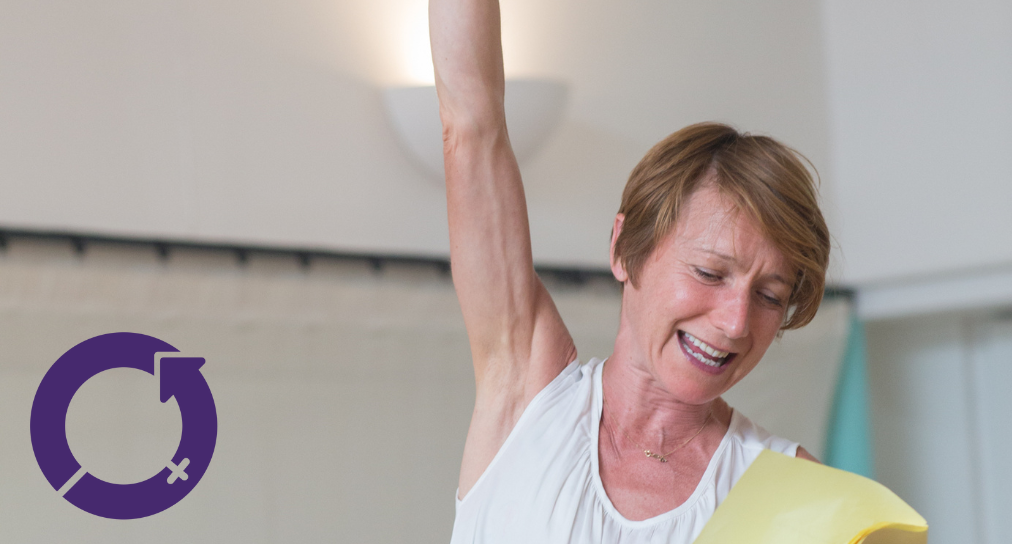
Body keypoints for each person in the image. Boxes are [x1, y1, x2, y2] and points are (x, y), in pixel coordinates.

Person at [429, 0, 831, 542]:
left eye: (769, 295)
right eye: (711, 274)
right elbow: (471, 127)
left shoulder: (791, 489)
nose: (736, 322)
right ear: (625, 248)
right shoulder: (526, 394)